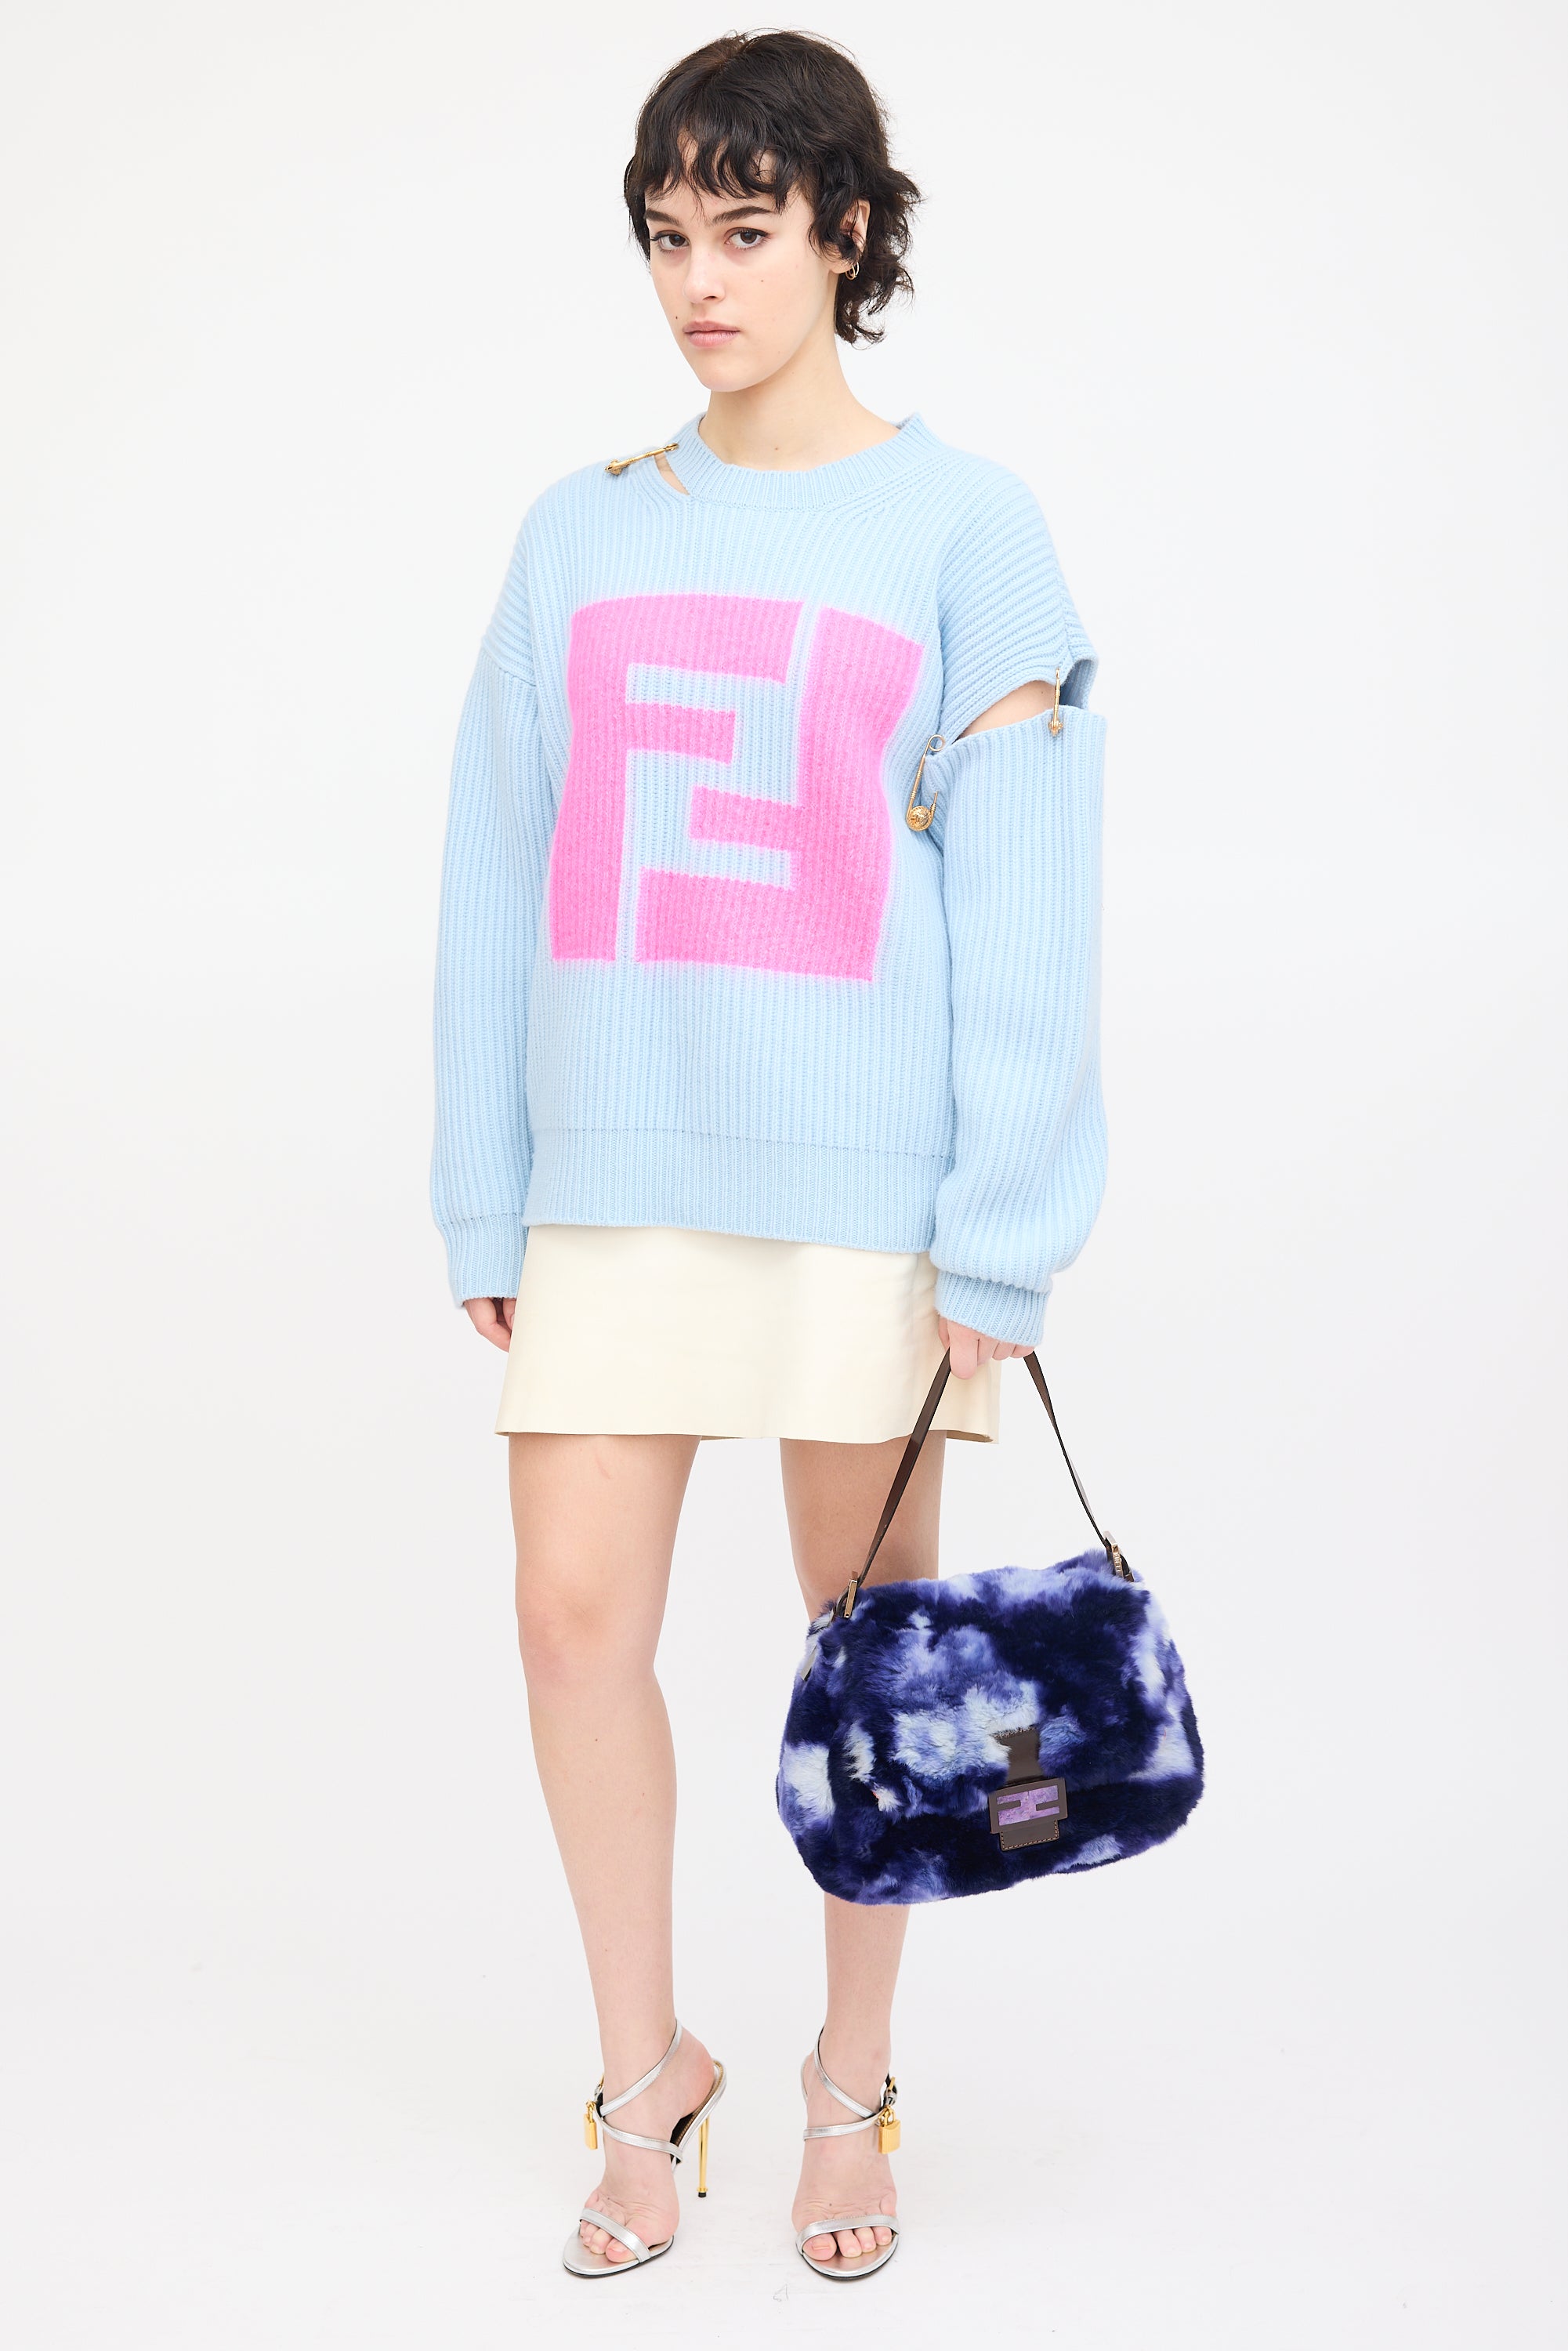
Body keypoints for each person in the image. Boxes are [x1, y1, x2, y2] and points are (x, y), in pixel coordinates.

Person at [429, 28, 1106, 2282]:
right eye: (666, 237)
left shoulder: (966, 525)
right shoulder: (579, 530)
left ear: (847, 232)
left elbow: (1028, 896)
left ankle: (851, 2081)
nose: (698, 282)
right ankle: (645, 2081)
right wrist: (479, 1180)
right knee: (568, 1625)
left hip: (868, 1195)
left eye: (744, 230)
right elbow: (495, 865)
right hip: (612, 1175)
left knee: (873, 1659)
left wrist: (1001, 1233)